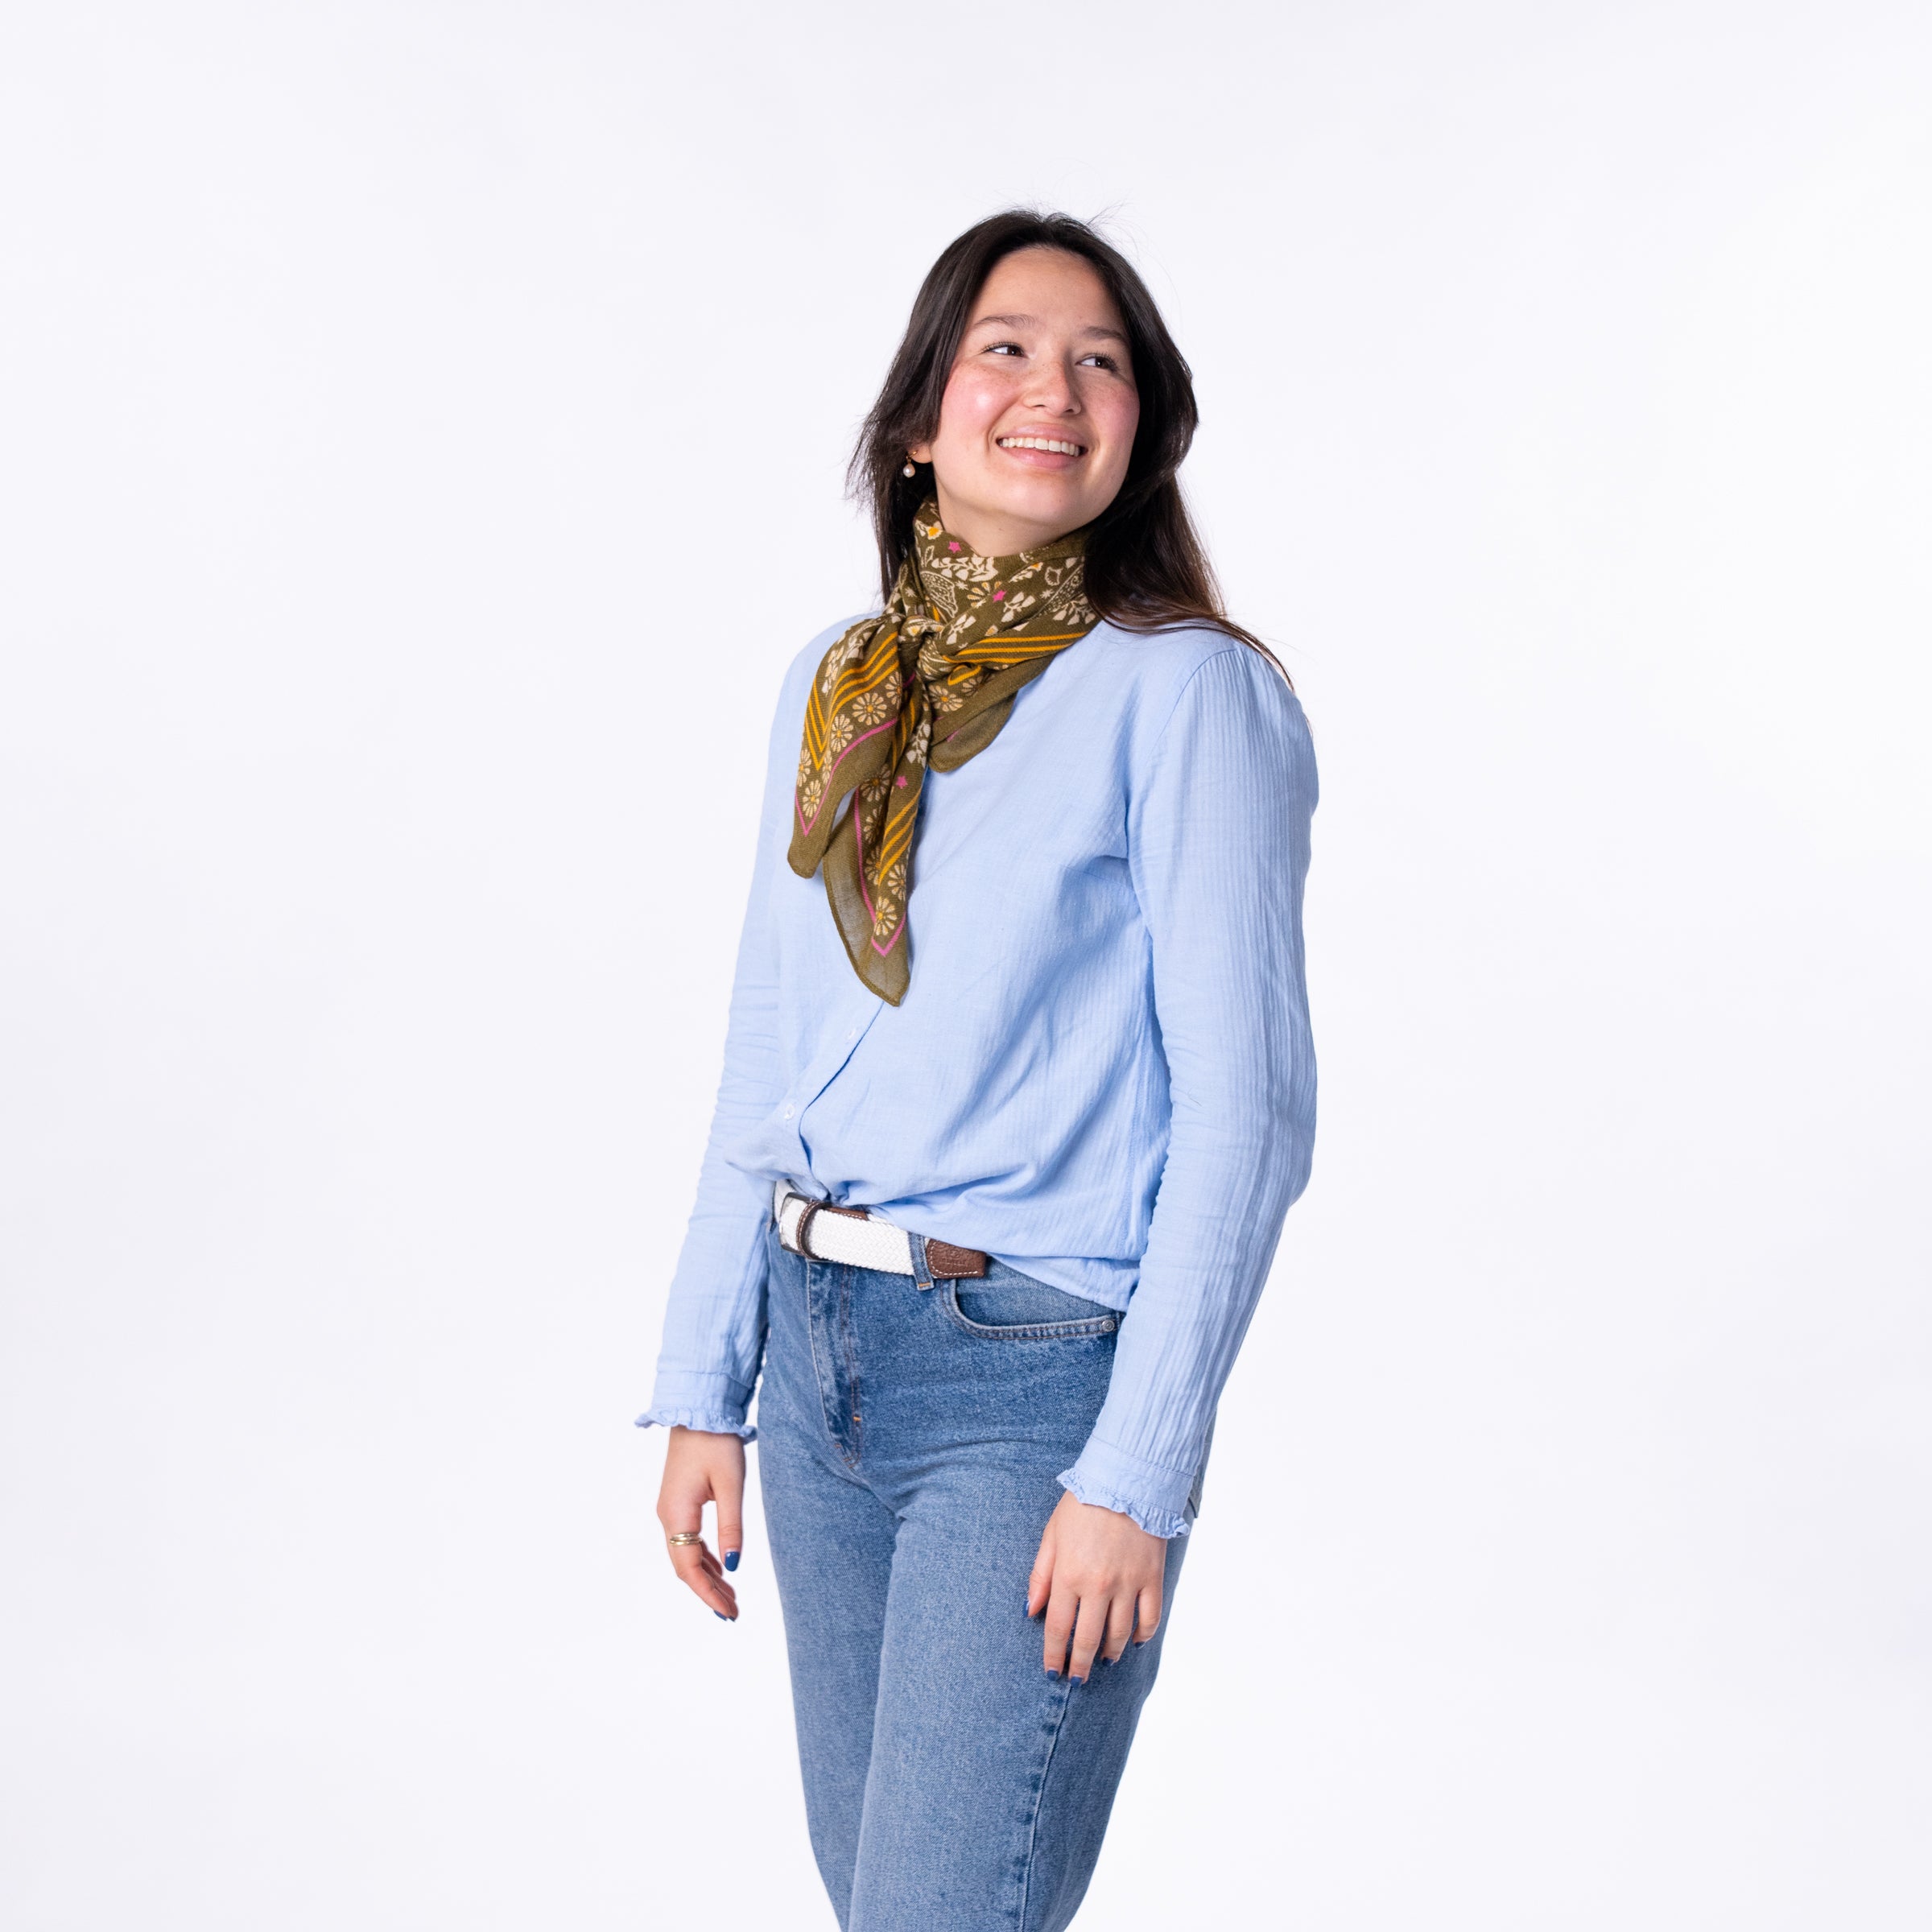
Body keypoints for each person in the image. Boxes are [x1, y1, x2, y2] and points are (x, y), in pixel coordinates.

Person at [638, 208, 1317, 1931]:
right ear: (918, 421)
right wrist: (708, 1379)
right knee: (884, 1901)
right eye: (1006, 347)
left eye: (1102, 361)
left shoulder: (1187, 697)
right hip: (817, 1365)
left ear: (1144, 427)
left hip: (1030, 1377)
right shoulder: (840, 686)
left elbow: (1246, 1121)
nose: (1053, 389)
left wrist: (1134, 1475)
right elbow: (770, 1048)